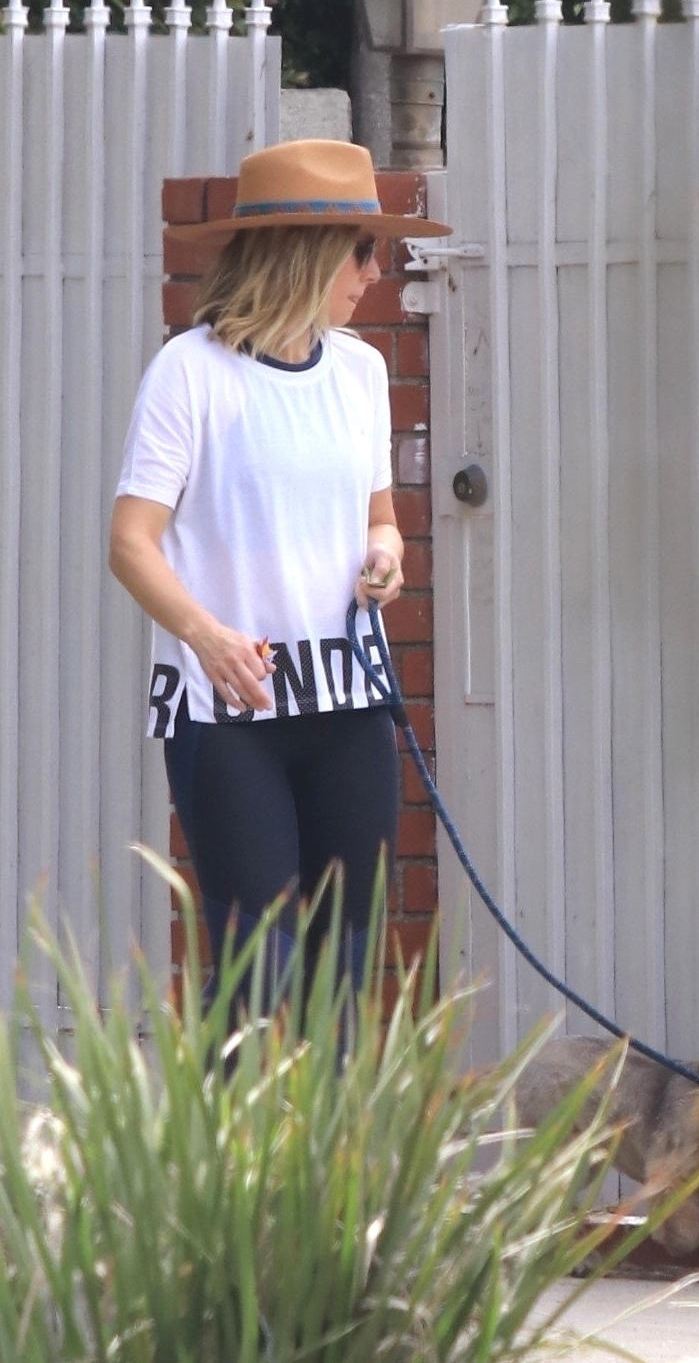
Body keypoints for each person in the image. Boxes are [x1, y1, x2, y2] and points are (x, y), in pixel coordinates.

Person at [109, 138, 451, 1014]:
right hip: (230, 712)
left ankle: (333, 1116)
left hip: (348, 702)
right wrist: (207, 636)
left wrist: (386, 557)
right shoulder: (190, 372)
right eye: (362, 250)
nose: (375, 271)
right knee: (259, 967)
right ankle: (221, 1114)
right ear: (305, 252)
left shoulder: (361, 371)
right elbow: (131, 543)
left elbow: (379, 517)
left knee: (346, 966)